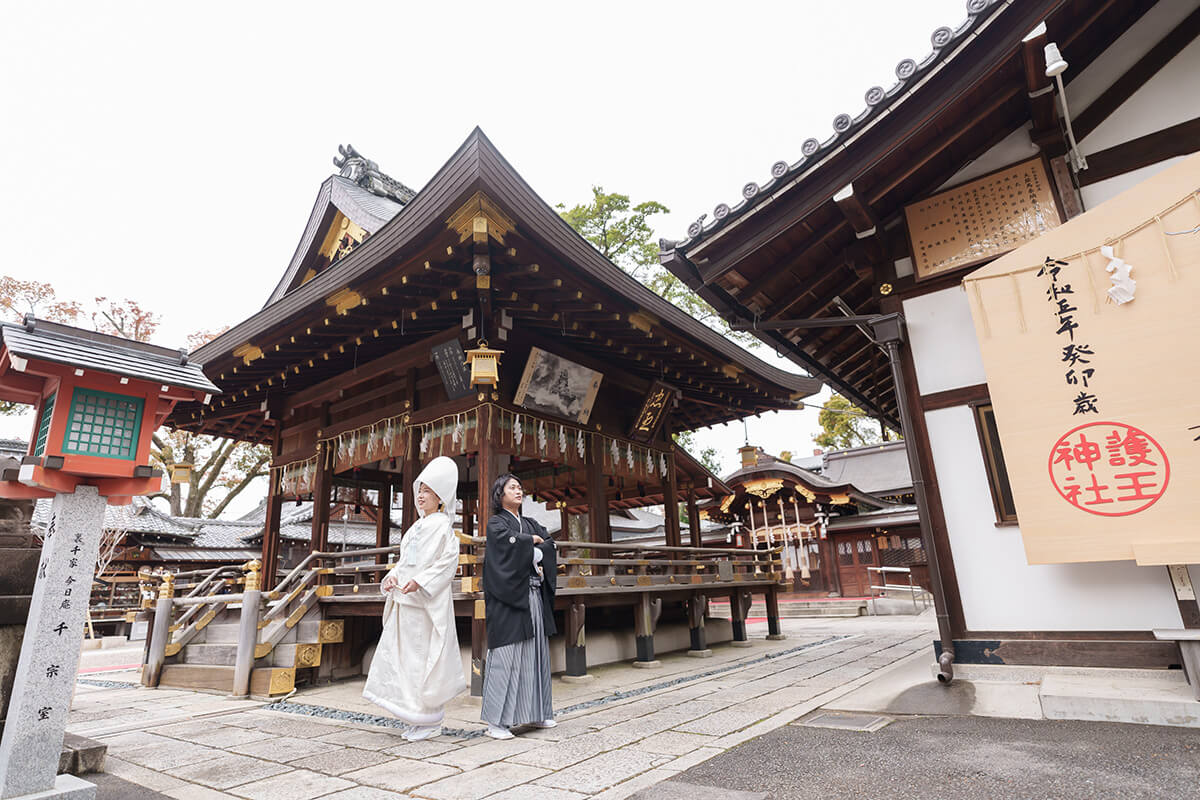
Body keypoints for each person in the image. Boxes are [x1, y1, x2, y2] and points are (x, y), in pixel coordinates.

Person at [362, 455, 466, 741]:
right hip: (404, 603)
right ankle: (414, 716)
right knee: (404, 661)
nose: (421, 496)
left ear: (440, 497)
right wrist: (393, 577)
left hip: (424, 604)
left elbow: (446, 564)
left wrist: (419, 582)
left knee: (423, 660)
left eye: (428, 491)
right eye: (419, 490)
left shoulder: (444, 527)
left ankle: (429, 719)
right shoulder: (415, 527)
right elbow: (404, 561)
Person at [480, 473, 557, 739]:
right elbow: (506, 547)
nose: (518, 491)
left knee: (535, 654)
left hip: (533, 596)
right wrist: (531, 544)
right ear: (499, 494)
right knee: (507, 655)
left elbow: (549, 543)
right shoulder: (496, 524)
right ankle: (496, 722)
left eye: (520, 487)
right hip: (508, 598)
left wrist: (534, 546)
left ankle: (536, 714)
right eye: (511, 487)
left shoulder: (530, 522)